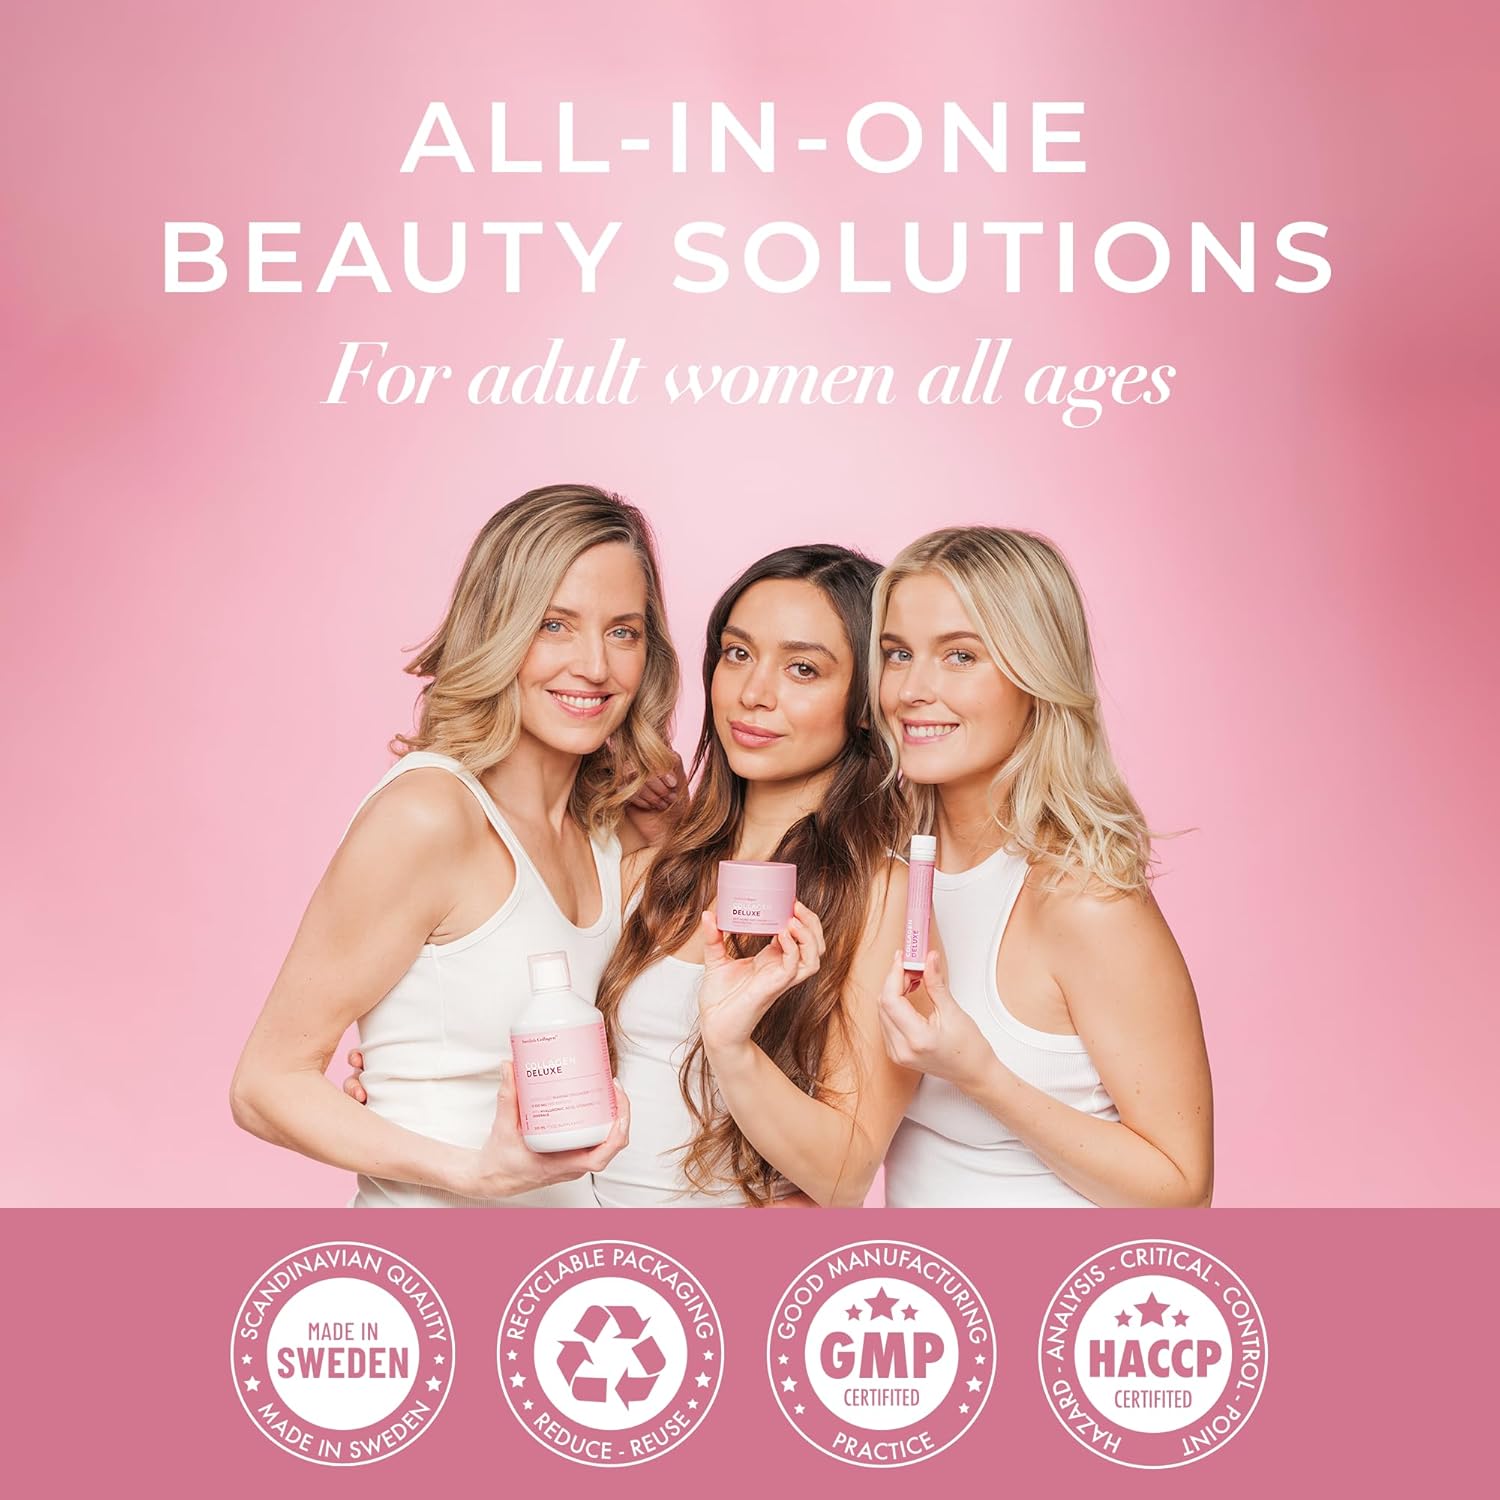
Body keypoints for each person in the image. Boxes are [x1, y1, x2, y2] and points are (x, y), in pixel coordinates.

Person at [230, 484, 679, 1206]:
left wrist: (671, 825)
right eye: (555, 625)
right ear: (496, 628)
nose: (595, 666)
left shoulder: (611, 832)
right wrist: (473, 1173)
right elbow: (264, 1086)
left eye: (622, 632)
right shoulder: (430, 815)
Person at [872, 528, 1213, 1208]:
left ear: (1036, 675)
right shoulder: (887, 864)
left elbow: (1181, 1188)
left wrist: (980, 1075)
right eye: (897, 654)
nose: (913, 689)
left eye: (961, 655)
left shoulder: (1082, 898)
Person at [592, 545, 918, 1206]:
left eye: (803, 668)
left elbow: (845, 1173)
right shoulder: (651, 859)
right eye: (738, 653)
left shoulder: (879, 893)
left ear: (865, 703)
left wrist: (732, 1047)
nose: (753, 694)